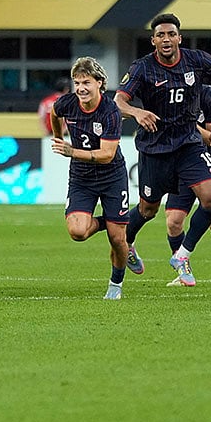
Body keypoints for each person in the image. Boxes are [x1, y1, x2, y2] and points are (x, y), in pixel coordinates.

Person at [114, 14, 211, 287]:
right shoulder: (142, 68)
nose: (166, 39)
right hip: (155, 149)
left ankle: (182, 255)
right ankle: (127, 242)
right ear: (154, 41)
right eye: (161, 35)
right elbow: (119, 101)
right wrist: (136, 112)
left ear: (179, 37)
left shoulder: (196, 60)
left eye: (171, 34)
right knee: (148, 210)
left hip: (188, 144)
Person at [49, 57, 130, 300]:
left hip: (112, 176)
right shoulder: (68, 104)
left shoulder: (110, 112)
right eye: (77, 82)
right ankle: (113, 220)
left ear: (100, 83)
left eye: (86, 82)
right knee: (77, 232)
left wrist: (71, 151)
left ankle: (115, 284)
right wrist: (58, 137)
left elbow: (107, 155)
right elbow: (54, 113)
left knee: (118, 239)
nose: (81, 88)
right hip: (82, 177)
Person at [163, 84, 211, 287]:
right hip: (183, 161)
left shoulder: (210, 96)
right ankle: (183, 271)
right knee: (173, 222)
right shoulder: (172, 96)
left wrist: (186, 125)